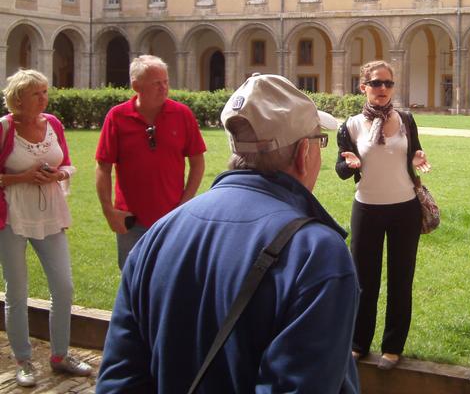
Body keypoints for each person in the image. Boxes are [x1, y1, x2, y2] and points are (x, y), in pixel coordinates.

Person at [97, 73, 360, 393]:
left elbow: (119, 381)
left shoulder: (158, 235)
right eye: (320, 140)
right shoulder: (316, 253)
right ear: (303, 153)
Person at [335, 60, 431, 370]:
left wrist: (417, 156)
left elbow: (414, 151)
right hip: (367, 210)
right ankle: (359, 344)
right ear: (363, 87)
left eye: (388, 84)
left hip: (404, 208)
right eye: (376, 83)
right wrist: (348, 163)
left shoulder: (406, 119)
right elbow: (340, 169)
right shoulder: (349, 126)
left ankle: (392, 347)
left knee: (401, 281)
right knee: (364, 282)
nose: (383, 89)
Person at [0, 69, 92, 387]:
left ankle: (60, 355)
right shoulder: (5, 128)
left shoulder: (52, 123)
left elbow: (67, 163)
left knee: (64, 286)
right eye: (37, 92)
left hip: (50, 214)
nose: (44, 97)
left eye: (45, 92)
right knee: (17, 291)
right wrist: (22, 178)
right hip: (13, 216)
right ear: (19, 97)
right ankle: (24, 361)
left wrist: (58, 175)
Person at [95, 55, 206, 269]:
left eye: (166, 82)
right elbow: (103, 167)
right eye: (157, 83)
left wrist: (184, 204)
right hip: (131, 221)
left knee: (170, 277)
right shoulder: (117, 117)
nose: (164, 88)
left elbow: (198, 163)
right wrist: (109, 210)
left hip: (172, 218)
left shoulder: (182, 114)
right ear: (136, 85)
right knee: (132, 279)